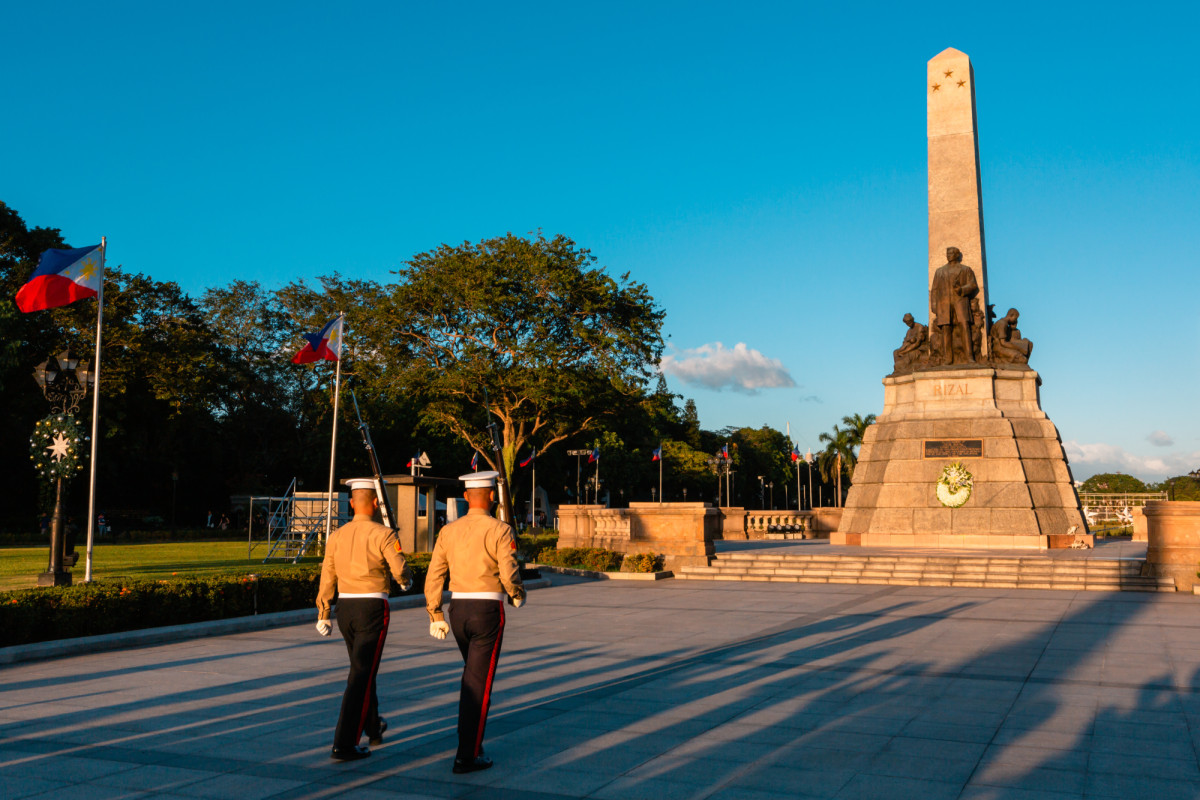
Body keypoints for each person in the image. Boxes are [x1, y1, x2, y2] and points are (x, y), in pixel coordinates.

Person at [425, 470, 526, 774]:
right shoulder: (500, 529)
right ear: (492, 496)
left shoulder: (449, 531)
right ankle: (467, 754)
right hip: (486, 611)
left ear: (466, 497)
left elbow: (435, 574)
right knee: (477, 686)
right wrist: (516, 593)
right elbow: (508, 570)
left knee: (472, 676)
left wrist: (435, 613)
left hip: (457, 611)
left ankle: (471, 744)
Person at [316, 479, 413, 761]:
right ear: (374, 503)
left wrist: (323, 611)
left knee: (363, 669)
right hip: (372, 607)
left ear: (350, 503)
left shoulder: (336, 536)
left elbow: (328, 575)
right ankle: (344, 743)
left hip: (345, 608)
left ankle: (372, 725)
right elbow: (399, 569)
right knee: (360, 675)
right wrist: (406, 581)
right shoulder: (383, 534)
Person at [929, 246, 979, 365]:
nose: (949, 255)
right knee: (946, 329)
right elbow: (934, 290)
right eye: (947, 253)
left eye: (951, 253)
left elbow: (973, 285)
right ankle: (948, 358)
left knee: (965, 327)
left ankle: (969, 357)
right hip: (944, 304)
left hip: (960, 302)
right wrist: (934, 305)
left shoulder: (965, 269)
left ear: (957, 255)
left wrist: (961, 289)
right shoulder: (939, 271)